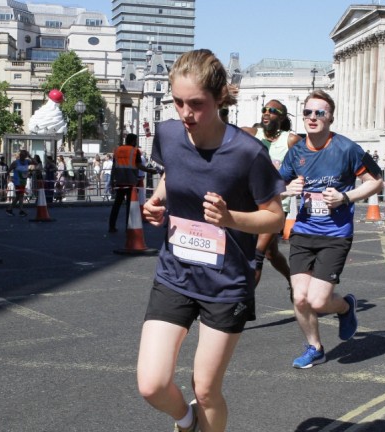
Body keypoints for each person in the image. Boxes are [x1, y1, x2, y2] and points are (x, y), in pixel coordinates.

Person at [137, 49, 285, 432]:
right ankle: (187, 423)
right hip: (175, 272)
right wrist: (157, 200)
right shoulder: (169, 135)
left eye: (196, 104)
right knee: (151, 384)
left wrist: (230, 218)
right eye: (178, 102)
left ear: (220, 98)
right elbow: (173, 174)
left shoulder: (248, 152)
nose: (185, 113)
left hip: (225, 284)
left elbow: (275, 216)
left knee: (205, 389)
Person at [278, 89, 382, 369]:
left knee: (319, 300)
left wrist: (346, 197)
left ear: (330, 117)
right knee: (299, 297)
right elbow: (275, 185)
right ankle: (315, 347)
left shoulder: (347, 149)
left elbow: (377, 180)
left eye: (319, 113)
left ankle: (346, 306)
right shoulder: (296, 151)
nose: (312, 118)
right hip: (303, 231)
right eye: (308, 112)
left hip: (335, 235)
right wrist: (287, 189)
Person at [241, 99, 301, 297]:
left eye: (272, 111)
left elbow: (305, 163)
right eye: (264, 110)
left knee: (257, 255)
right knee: (271, 253)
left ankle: (242, 304)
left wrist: (297, 182)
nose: (266, 113)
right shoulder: (251, 134)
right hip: (251, 203)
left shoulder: (290, 140)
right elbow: (222, 129)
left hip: (276, 205)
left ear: (282, 117)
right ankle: (293, 279)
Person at [108, 134, 153, 233]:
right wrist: (150, 171)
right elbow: (139, 165)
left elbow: (113, 167)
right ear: (133, 141)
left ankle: (112, 226)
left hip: (119, 181)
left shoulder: (118, 150)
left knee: (117, 204)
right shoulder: (134, 150)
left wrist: (112, 180)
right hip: (131, 181)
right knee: (130, 205)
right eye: (136, 141)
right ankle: (129, 227)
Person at [6, 149, 31, 217]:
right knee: (21, 195)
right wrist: (8, 178)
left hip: (23, 181)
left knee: (18, 196)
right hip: (18, 181)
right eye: (21, 154)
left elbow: (36, 163)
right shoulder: (16, 162)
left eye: (24, 155)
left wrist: (30, 156)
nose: (22, 156)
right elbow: (9, 169)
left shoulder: (27, 161)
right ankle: (20, 210)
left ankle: (10, 209)